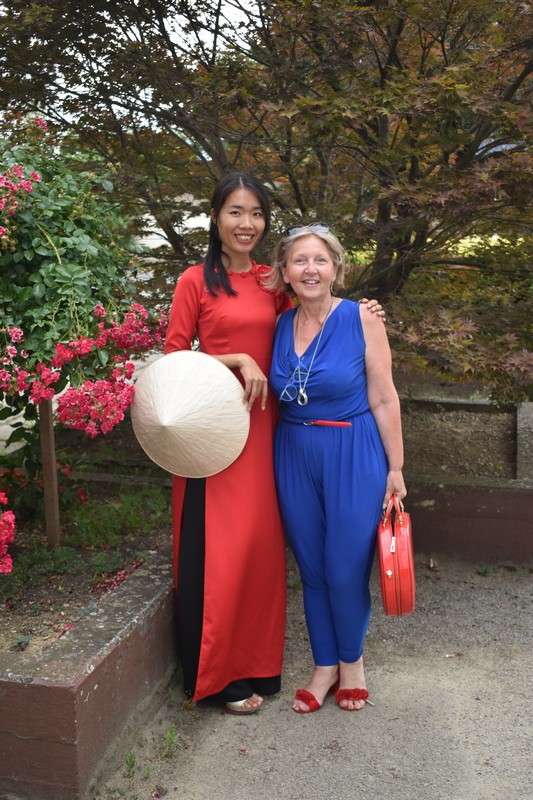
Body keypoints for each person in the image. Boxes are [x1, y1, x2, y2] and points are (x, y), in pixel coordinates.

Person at [164, 175, 384, 715]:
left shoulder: (271, 282)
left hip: (273, 434)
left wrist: (367, 314)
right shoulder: (195, 280)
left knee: (262, 554)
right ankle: (216, 676)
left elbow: (316, 311)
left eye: (257, 213)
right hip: (215, 432)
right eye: (235, 212)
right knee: (222, 552)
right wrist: (236, 359)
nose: (247, 224)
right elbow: (173, 358)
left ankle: (256, 666)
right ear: (215, 217)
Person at [268, 223, 406, 713]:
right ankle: (324, 666)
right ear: (285, 271)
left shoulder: (362, 318)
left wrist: (396, 468)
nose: (310, 269)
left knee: (344, 569)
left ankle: (353, 663)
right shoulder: (280, 324)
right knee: (311, 568)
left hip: (353, 451)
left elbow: (384, 397)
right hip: (294, 453)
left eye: (320, 260)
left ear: (336, 269)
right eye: (300, 260)